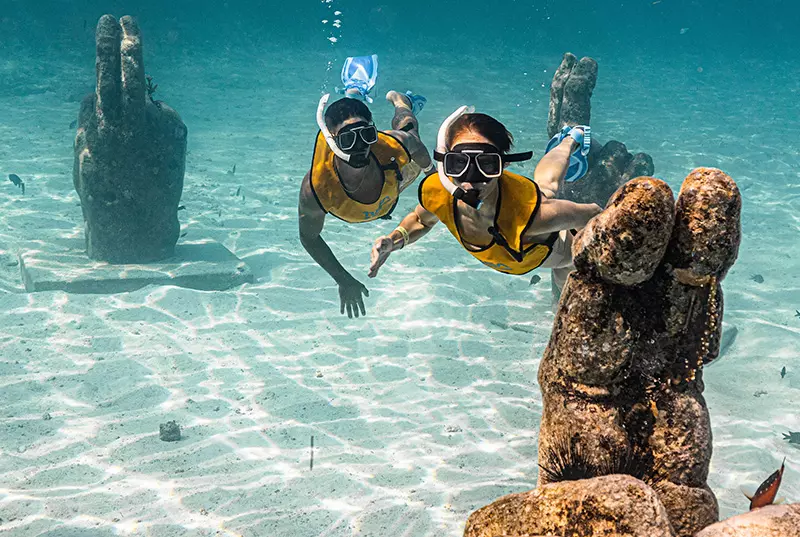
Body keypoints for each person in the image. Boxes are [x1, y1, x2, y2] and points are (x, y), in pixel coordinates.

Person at [368, 106, 603, 294]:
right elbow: (421, 219)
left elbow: (593, 212)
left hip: (557, 254)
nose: (471, 180)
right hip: (517, 247)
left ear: (504, 165)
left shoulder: (535, 217)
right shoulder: (439, 192)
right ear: (445, 164)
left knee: (548, 191)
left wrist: (590, 257)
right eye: (459, 164)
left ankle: (570, 141)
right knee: (546, 186)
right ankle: (567, 140)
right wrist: (393, 240)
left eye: (487, 164)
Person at [298, 90, 434, 318]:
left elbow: (416, 146)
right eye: (348, 139)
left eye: (367, 135)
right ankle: (353, 94)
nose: (360, 146)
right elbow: (308, 237)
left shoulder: (393, 147)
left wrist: (432, 177)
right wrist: (343, 279)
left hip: (393, 176)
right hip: (375, 193)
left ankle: (403, 102)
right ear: (332, 141)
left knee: (410, 130)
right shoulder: (317, 188)